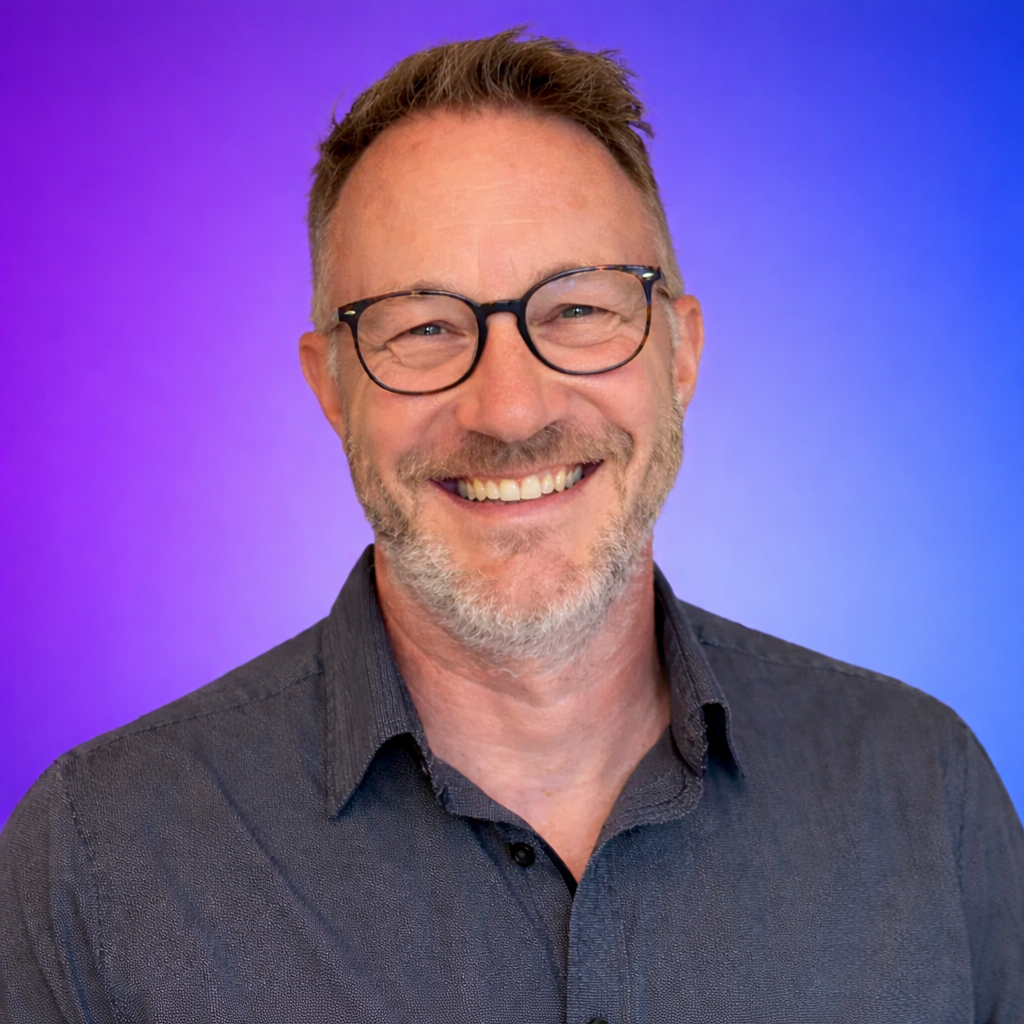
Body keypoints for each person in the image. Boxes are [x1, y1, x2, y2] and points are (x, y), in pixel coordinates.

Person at [1, 28, 1021, 1023]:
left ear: (680, 353)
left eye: (578, 310)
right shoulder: (95, 861)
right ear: (329, 385)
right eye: (423, 326)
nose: (511, 410)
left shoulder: (927, 796)